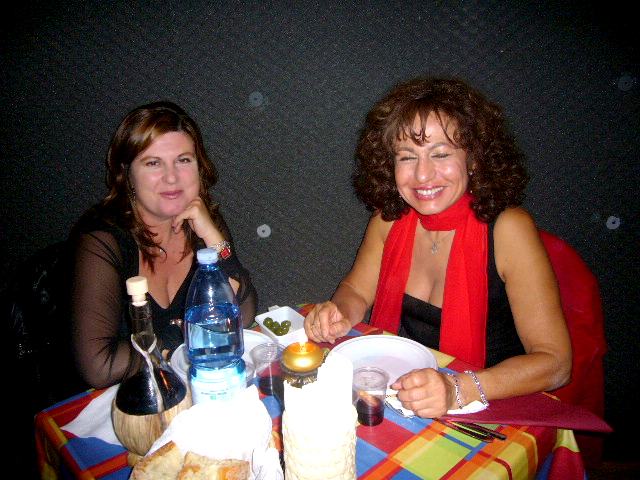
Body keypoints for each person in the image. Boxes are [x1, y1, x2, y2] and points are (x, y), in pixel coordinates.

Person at [304, 77, 572, 419]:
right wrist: (339, 312)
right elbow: (356, 290)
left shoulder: (510, 229)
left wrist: (457, 389)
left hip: (491, 403)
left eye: (441, 154)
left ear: (473, 158)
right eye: (407, 157)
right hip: (407, 396)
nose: (422, 175)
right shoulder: (388, 219)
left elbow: (556, 364)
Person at [69, 101, 257, 389]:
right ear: (127, 174)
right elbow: (99, 367)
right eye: (153, 163)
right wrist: (184, 335)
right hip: (118, 401)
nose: (172, 177)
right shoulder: (101, 240)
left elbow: (243, 313)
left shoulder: (201, 221)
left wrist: (213, 236)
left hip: (183, 389)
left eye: (184, 160)